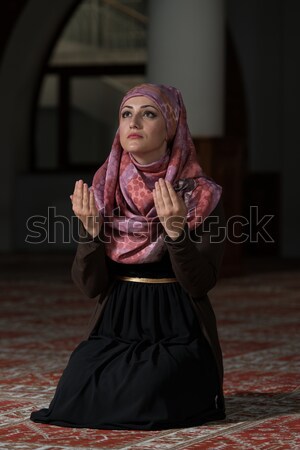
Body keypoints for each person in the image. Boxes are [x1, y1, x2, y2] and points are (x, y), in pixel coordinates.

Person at [30, 83, 226, 430]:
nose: (134, 122)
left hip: (177, 326)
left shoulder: (201, 195)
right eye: (126, 114)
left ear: (171, 128)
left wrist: (176, 232)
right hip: (117, 322)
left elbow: (200, 284)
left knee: (150, 386)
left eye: (148, 113)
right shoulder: (104, 188)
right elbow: (91, 287)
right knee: (78, 380)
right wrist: (91, 234)